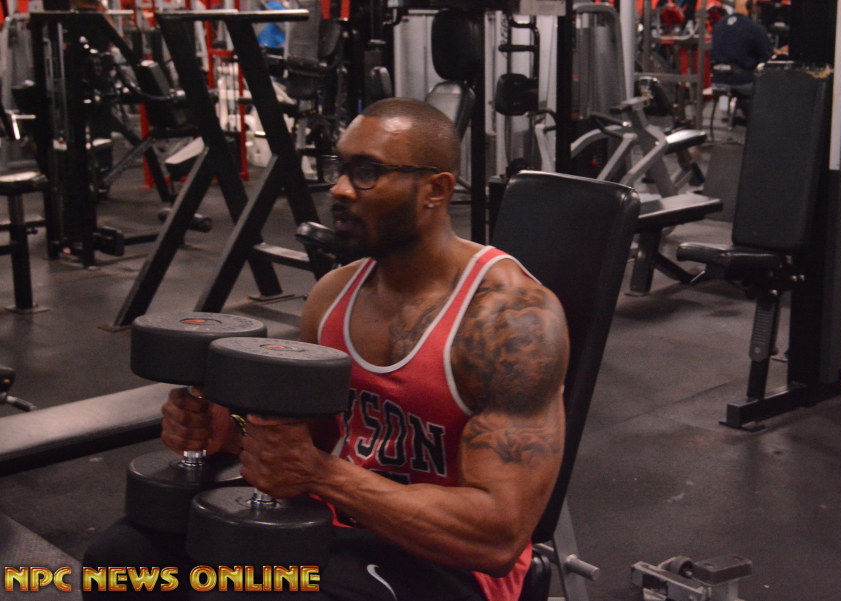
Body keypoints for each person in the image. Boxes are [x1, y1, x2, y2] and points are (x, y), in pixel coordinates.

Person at [83, 98, 569, 601]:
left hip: (447, 565)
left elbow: (497, 536)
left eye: (367, 172)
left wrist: (321, 474)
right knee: (122, 560)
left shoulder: (510, 321)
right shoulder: (334, 296)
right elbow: (306, 442)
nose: (339, 188)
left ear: (436, 190)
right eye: (341, 167)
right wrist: (227, 431)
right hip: (331, 527)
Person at [710, 0, 773, 120]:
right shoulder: (755, 28)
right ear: (748, 6)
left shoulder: (718, 25)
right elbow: (766, 55)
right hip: (741, 81)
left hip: (717, 79)